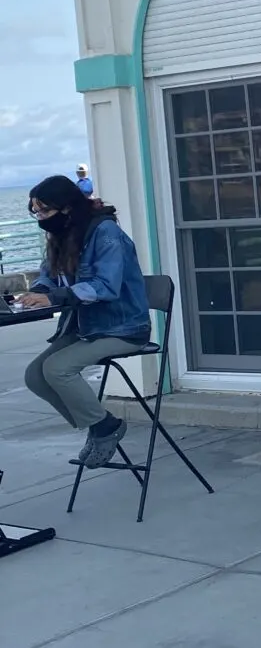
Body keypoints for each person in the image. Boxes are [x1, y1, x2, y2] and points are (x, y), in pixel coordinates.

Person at [17, 175, 151, 469]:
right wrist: (38, 292)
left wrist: (56, 298)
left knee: (58, 369)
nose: (40, 218)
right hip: (85, 326)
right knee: (35, 376)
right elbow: (47, 275)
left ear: (67, 207)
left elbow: (106, 285)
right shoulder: (61, 234)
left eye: (45, 211)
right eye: (36, 212)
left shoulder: (105, 234)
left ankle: (104, 428)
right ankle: (100, 425)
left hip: (124, 327)